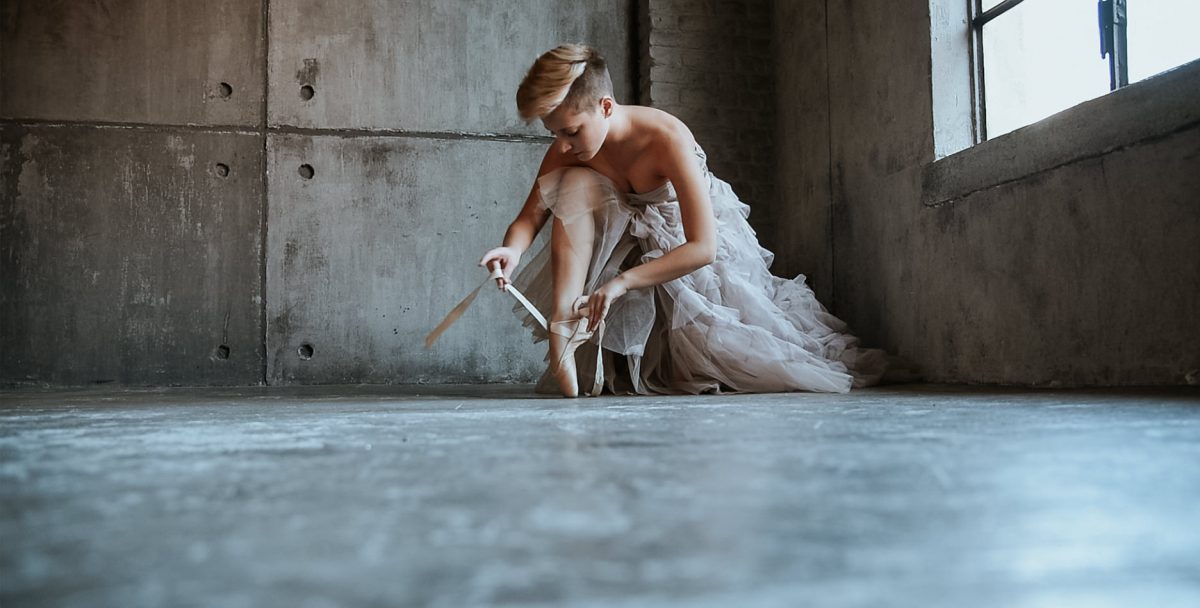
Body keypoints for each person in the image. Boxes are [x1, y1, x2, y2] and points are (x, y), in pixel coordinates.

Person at [479, 44, 887, 397]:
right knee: (571, 183)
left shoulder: (666, 137)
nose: (562, 145)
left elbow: (703, 248)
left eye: (570, 131)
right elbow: (530, 217)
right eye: (554, 134)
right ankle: (564, 326)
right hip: (623, 243)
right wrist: (510, 249)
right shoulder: (568, 150)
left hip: (684, 249)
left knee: (738, 360)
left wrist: (620, 283)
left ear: (605, 107)